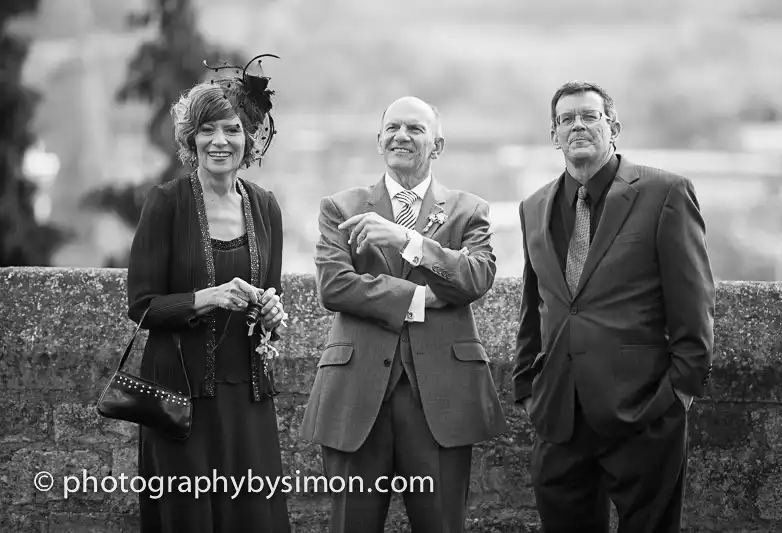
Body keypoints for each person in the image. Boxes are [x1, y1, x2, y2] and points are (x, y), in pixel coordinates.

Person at [512, 80, 716, 533]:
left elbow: (694, 302)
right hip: (560, 417)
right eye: (566, 119)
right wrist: (527, 385)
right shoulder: (533, 207)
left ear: (614, 126)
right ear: (554, 135)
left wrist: (678, 394)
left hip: (643, 413)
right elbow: (534, 305)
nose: (578, 126)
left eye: (590, 116)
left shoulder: (665, 193)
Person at [299, 96, 508, 532]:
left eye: (415, 129)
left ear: (438, 145)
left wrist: (406, 239)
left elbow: (476, 277)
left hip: (441, 400)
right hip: (355, 395)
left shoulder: (469, 210)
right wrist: (419, 299)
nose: (401, 136)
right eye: (392, 128)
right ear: (379, 141)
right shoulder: (340, 207)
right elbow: (335, 287)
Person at [126, 54, 291, 532]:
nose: (220, 141)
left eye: (233, 129)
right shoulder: (165, 204)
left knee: (252, 518)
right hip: (179, 397)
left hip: (248, 395)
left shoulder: (266, 207)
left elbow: (270, 303)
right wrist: (210, 297)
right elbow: (141, 307)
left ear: (250, 139)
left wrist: (271, 313)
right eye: (207, 130)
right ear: (190, 139)